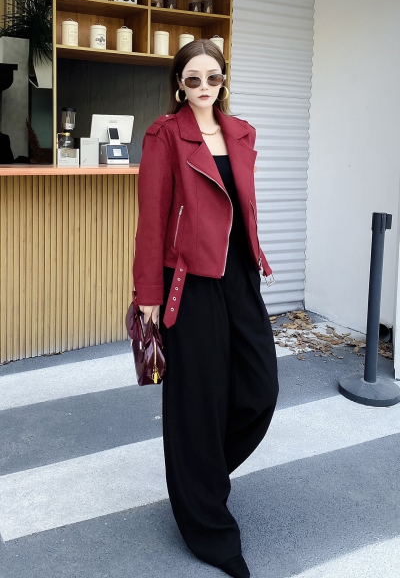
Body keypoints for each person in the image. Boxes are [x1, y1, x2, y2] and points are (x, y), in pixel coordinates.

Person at [133, 39, 279, 578]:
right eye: (192, 79)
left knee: (260, 390)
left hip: (240, 278)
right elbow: (152, 218)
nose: (203, 87)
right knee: (198, 402)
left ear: (223, 81)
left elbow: (244, 207)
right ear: (179, 84)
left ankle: (198, 479)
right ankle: (210, 529)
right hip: (188, 282)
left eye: (212, 78)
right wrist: (147, 293)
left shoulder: (241, 131)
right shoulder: (165, 135)